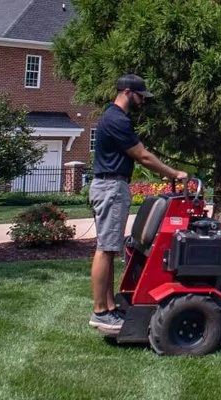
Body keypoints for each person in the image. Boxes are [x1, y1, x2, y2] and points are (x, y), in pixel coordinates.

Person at [88, 74, 187, 331]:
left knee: (109, 249)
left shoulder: (114, 117)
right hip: (111, 186)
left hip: (110, 185)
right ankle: (100, 311)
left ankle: (109, 307)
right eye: (141, 95)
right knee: (105, 248)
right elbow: (143, 156)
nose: (143, 100)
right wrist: (174, 173)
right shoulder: (117, 119)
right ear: (128, 92)